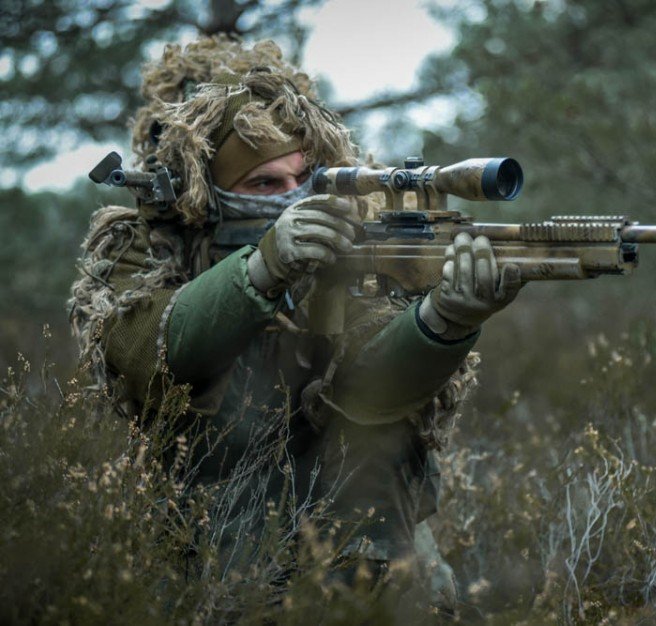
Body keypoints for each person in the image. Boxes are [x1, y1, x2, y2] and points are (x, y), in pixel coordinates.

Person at [68, 37, 522, 608]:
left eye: (304, 180)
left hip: (367, 544)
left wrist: (445, 321)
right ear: (209, 192)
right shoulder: (139, 245)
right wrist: (263, 268)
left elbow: (371, 396)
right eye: (264, 184)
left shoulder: (355, 240)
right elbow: (159, 353)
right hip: (206, 548)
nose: (292, 199)